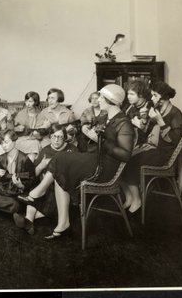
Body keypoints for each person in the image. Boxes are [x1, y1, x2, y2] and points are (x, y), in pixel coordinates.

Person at [19, 84, 135, 239]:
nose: (97, 99)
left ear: (110, 100)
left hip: (106, 169)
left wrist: (100, 139)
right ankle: (62, 223)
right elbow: (100, 139)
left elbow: (125, 155)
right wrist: (90, 133)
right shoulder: (106, 117)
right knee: (61, 162)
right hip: (97, 159)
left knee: (61, 160)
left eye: (100, 97)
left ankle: (37, 193)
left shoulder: (123, 122)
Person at [121, 81, 182, 213]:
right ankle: (130, 197)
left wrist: (159, 120)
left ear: (163, 98)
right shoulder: (158, 109)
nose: (152, 98)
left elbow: (173, 141)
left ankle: (137, 200)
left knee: (131, 162)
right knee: (123, 158)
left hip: (165, 155)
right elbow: (147, 132)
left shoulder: (175, 114)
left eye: (154, 96)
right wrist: (144, 120)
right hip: (154, 149)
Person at [13, 124, 79, 235]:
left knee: (47, 196)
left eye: (60, 137)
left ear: (65, 137)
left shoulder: (72, 150)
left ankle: (28, 220)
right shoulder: (45, 150)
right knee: (37, 194)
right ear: (50, 137)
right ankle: (28, 220)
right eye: (54, 136)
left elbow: (77, 172)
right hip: (45, 186)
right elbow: (33, 174)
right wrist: (41, 165)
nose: (57, 140)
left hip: (64, 188)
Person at [123, 79, 154, 146]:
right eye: (128, 93)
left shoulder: (150, 108)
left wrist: (142, 125)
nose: (128, 97)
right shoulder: (128, 107)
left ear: (141, 95)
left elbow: (150, 134)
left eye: (132, 94)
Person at [13, 91, 42, 162]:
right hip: (22, 138)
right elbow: (13, 128)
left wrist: (37, 134)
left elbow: (43, 130)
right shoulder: (21, 113)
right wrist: (16, 128)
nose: (27, 104)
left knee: (35, 144)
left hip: (35, 139)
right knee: (33, 144)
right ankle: (27, 167)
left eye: (30, 101)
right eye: (26, 101)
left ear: (36, 102)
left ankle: (28, 167)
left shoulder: (40, 114)